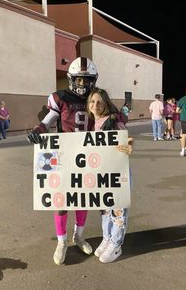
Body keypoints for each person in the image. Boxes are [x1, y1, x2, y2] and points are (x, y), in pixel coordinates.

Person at [27, 57, 98, 265]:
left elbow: (107, 117)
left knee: (82, 198)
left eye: (87, 80)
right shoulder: (60, 97)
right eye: (79, 80)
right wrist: (39, 129)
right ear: (71, 79)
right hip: (63, 153)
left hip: (87, 153)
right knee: (61, 200)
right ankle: (61, 240)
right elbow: (50, 118)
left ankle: (79, 235)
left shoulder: (96, 96)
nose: (83, 85)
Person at [86, 87, 132, 263]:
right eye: (92, 101)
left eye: (99, 101)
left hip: (118, 172)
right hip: (102, 173)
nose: (95, 105)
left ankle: (116, 243)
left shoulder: (112, 120)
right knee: (105, 209)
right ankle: (107, 237)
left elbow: (127, 140)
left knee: (118, 210)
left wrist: (127, 147)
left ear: (105, 103)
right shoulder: (93, 123)